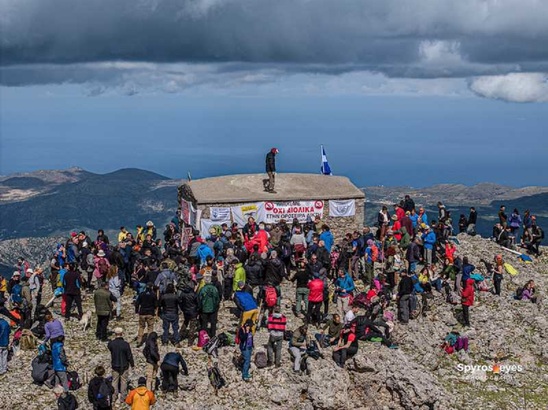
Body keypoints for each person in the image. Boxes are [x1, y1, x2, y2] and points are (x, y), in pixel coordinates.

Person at [107, 327, 135, 403]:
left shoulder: (111, 344)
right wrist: (132, 364)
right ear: (122, 334)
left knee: (114, 381)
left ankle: (114, 396)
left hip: (115, 365)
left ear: (115, 334)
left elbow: (109, 348)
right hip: (124, 365)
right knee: (124, 381)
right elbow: (129, 355)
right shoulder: (125, 344)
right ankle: (123, 397)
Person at [134, 282, 157, 347]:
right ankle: (149, 341)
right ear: (151, 287)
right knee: (150, 327)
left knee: (141, 327)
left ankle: (139, 340)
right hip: (150, 312)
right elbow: (156, 304)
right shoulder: (153, 295)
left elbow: (137, 303)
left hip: (142, 312)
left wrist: (136, 310)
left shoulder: (141, 294)